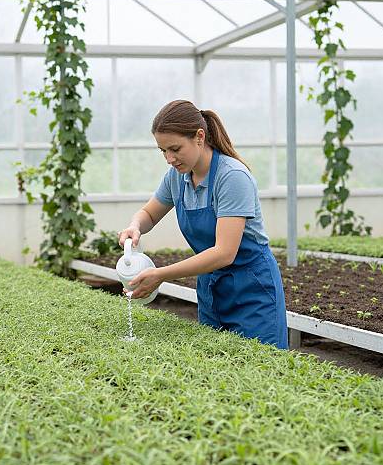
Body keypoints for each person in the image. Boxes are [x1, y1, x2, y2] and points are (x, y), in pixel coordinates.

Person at [118, 99, 288, 349]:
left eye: (175, 148)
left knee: (263, 372)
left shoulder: (232, 177)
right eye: (163, 150)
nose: (169, 158)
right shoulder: (177, 177)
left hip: (252, 290)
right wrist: (135, 226)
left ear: (199, 136)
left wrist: (161, 275)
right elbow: (150, 214)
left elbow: (224, 253)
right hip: (211, 289)